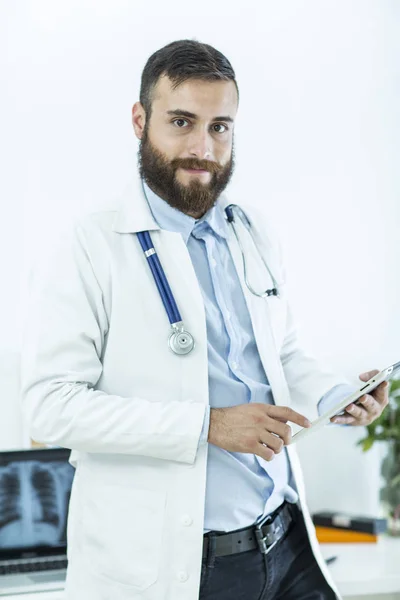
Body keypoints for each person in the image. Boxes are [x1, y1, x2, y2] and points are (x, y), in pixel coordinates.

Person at [20, 39, 389, 600]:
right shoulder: (88, 245)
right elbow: (49, 407)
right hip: (184, 568)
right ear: (140, 120)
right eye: (182, 121)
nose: (203, 146)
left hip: (285, 545)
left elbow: (281, 353)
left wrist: (336, 395)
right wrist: (207, 425)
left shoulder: (251, 231)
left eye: (220, 126)